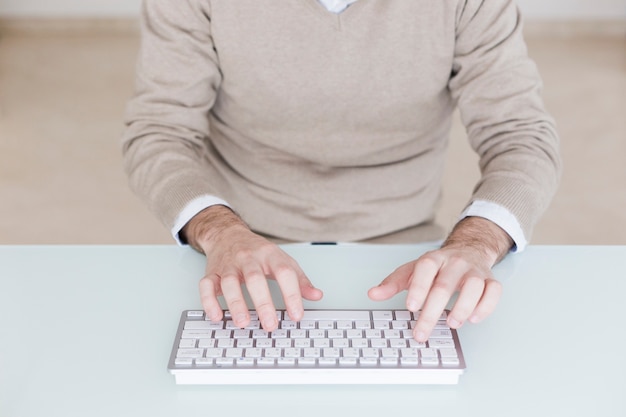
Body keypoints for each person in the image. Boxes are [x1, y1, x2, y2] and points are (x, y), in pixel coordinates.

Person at [122, 0, 561, 342]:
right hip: (237, 251)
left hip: (406, 254)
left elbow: (520, 135)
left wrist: (477, 242)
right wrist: (220, 232)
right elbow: (159, 132)